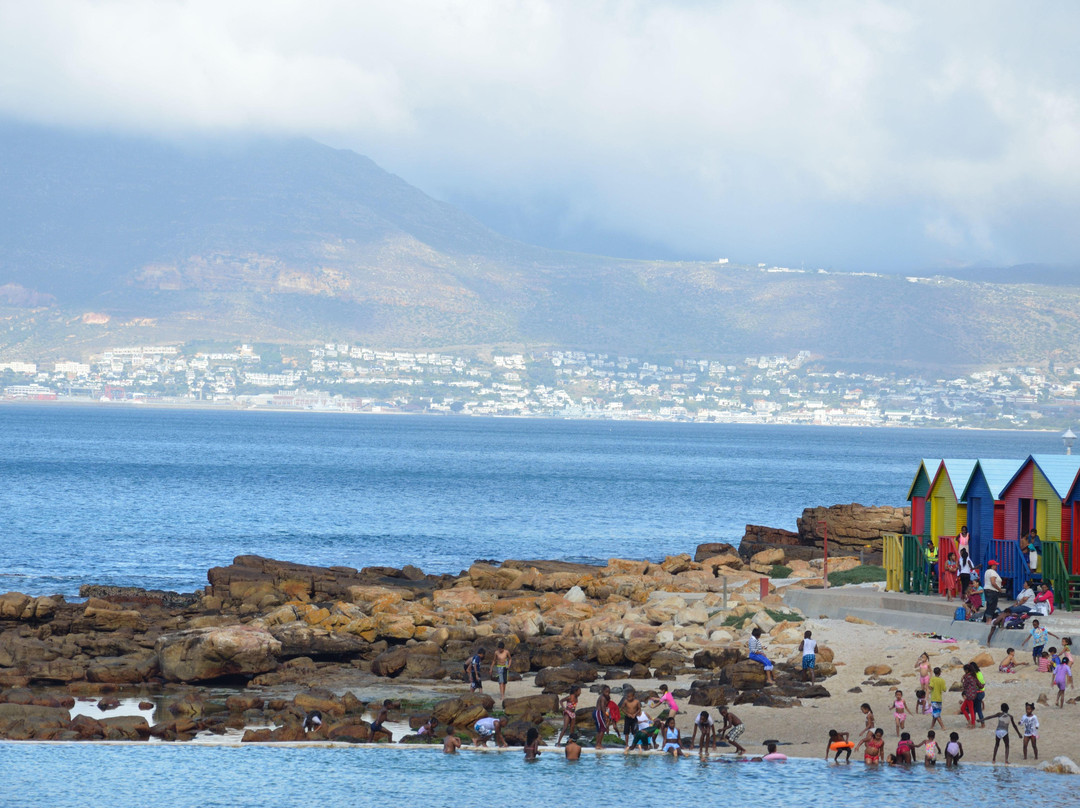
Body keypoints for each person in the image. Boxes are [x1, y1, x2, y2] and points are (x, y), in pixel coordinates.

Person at [971, 661, 986, 728]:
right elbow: (983, 683)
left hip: (977, 693)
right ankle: (981, 723)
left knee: (975, 709)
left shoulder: (974, 675)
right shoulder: (979, 673)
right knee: (978, 708)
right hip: (982, 692)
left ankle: (975, 723)